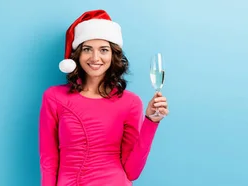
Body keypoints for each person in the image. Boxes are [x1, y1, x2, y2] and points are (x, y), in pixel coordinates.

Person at [39, 9, 168, 186]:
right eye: (87, 49)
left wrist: (151, 121)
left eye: (103, 50)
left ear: (113, 55)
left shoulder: (130, 103)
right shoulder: (54, 97)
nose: (95, 57)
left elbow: (132, 171)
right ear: (77, 55)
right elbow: (49, 159)